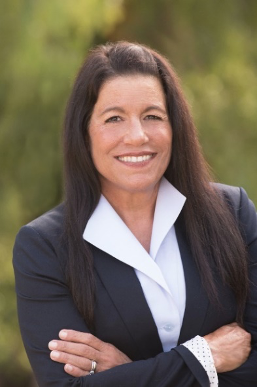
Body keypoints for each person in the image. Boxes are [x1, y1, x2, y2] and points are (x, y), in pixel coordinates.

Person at [13, 42, 256, 387]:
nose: (137, 136)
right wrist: (205, 355)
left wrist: (127, 372)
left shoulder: (235, 214)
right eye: (114, 118)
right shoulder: (44, 248)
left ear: (176, 127)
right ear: (84, 133)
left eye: (153, 116)